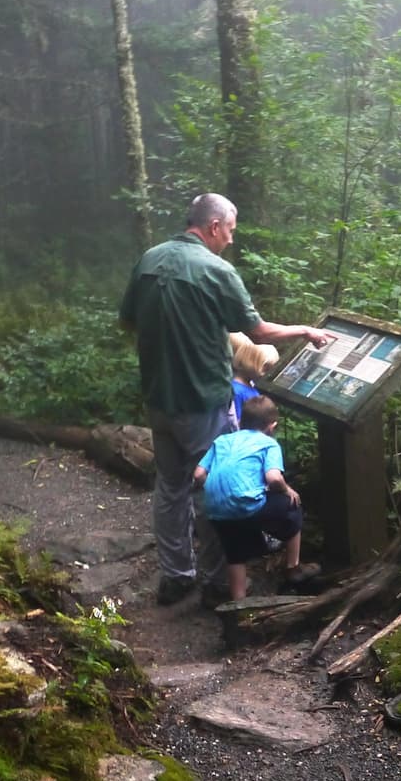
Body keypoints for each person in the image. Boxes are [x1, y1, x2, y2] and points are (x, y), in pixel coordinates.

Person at [119, 193, 333, 607]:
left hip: (159, 398)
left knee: (170, 487)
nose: (231, 240)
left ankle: (176, 576)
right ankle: (217, 582)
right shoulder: (216, 270)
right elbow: (259, 331)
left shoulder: (149, 259)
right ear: (214, 226)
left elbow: (128, 321)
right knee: (215, 487)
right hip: (203, 400)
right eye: (230, 231)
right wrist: (305, 331)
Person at [193, 395, 319, 602]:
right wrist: (287, 490)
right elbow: (274, 478)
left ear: (242, 420)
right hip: (247, 506)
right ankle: (293, 567)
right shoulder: (268, 443)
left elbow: (198, 474)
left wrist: (217, 490)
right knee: (293, 504)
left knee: (235, 555)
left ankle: (239, 605)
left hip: (216, 508)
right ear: (272, 426)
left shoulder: (222, 440)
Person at [228, 332, 279, 426]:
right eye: (265, 368)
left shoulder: (250, 384)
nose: (267, 373)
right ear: (250, 362)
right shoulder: (236, 391)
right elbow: (236, 423)